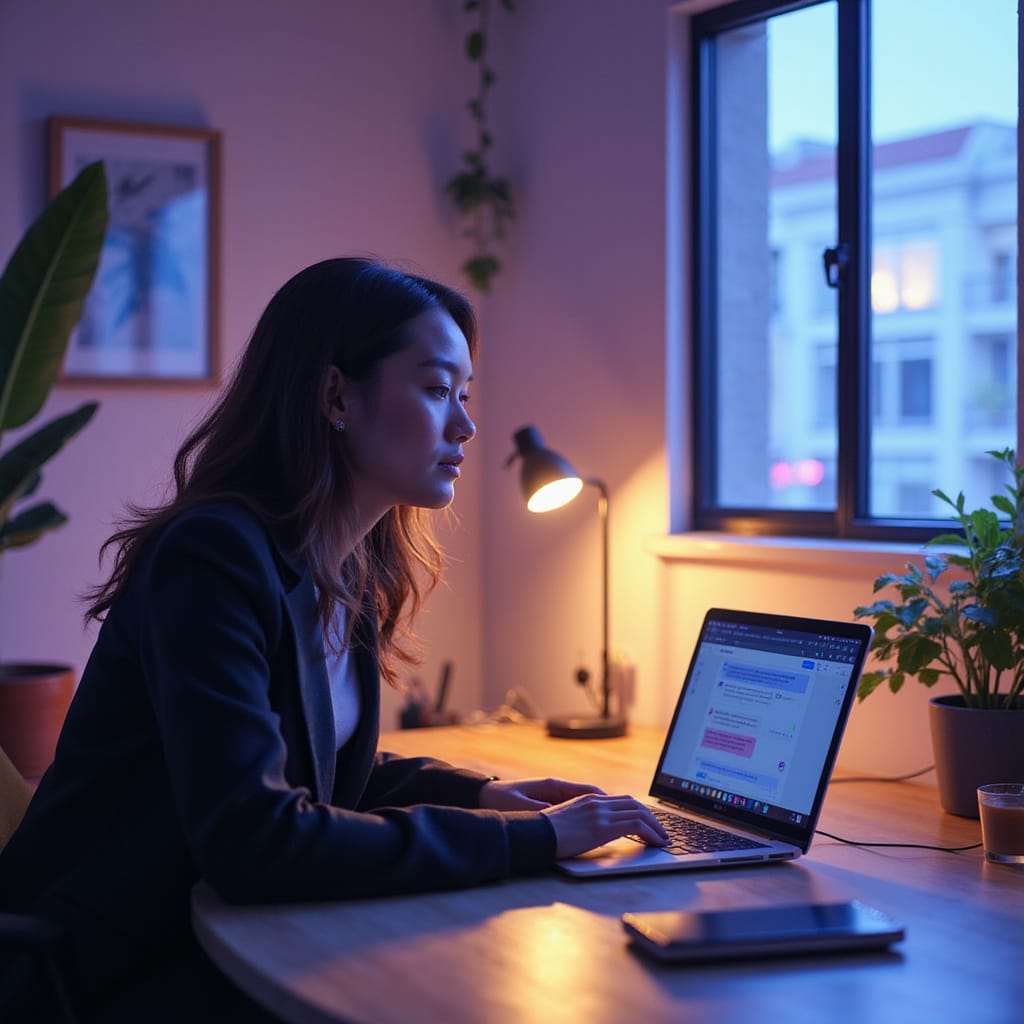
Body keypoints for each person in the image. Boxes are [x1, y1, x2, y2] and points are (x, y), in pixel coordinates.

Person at [0, 257, 666, 1020]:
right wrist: (536, 842)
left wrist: (484, 797)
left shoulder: (337, 565)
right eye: (435, 388)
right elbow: (255, 837)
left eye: (465, 395)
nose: (466, 424)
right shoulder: (214, 558)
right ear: (334, 394)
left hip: (208, 931)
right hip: (108, 968)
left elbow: (304, 760)